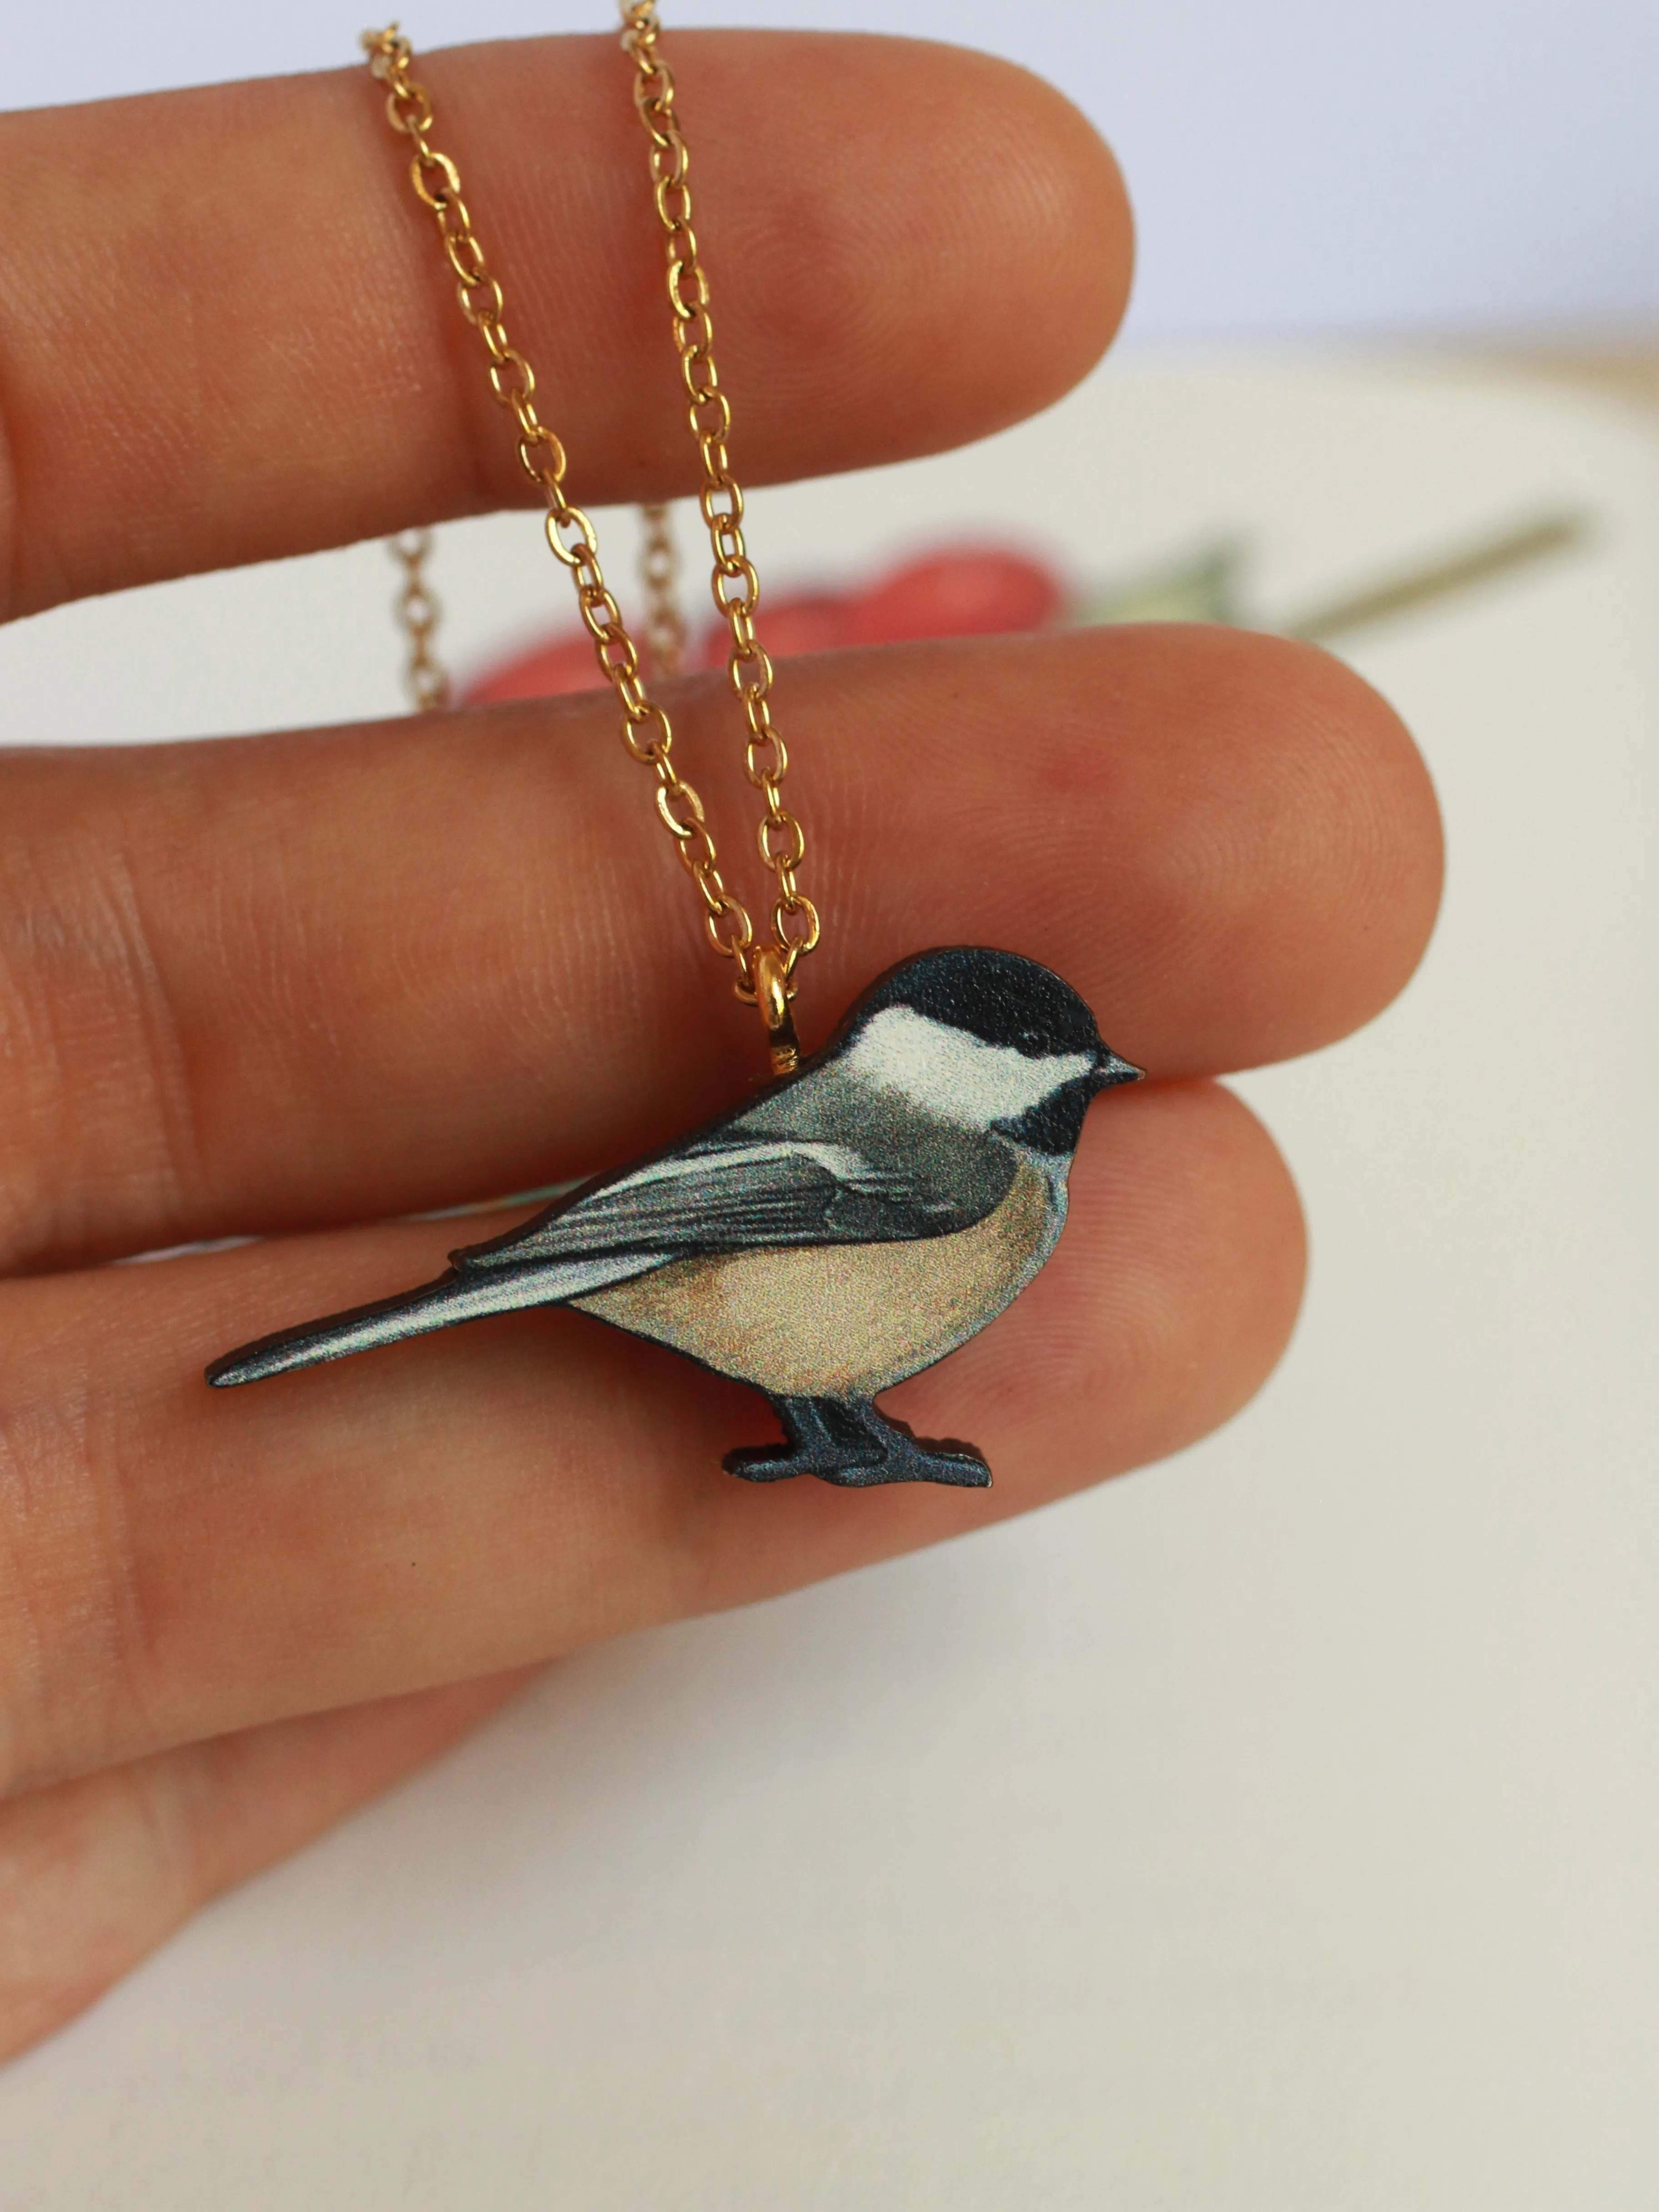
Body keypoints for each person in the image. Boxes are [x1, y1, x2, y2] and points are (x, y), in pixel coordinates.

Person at [0, 28, 1441, 2060]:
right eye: (1061, 1068)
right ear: (973, 1069)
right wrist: (546, 1264)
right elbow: (730, 1222)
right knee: (573, 1312)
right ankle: (822, 1430)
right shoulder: (958, 1167)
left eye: (1073, 1070)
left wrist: (846, 1421)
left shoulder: (967, 1152)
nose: (1084, 1095)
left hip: (730, 1286)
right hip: (698, 1251)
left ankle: (838, 1441)